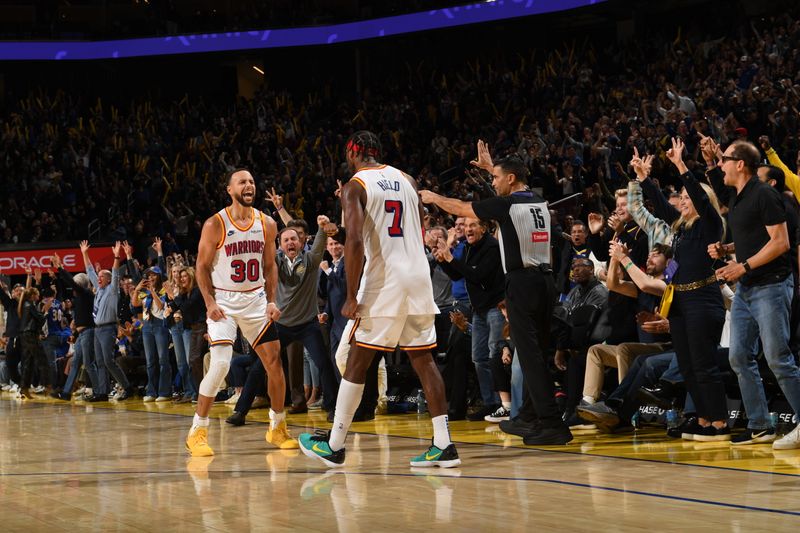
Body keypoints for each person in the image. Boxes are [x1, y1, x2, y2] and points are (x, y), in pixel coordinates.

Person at [299, 130, 460, 468]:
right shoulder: (407, 179)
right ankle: (443, 444)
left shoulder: (355, 185)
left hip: (385, 282)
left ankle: (335, 444)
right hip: (417, 278)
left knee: (357, 360)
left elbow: (356, 241)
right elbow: (404, 229)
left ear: (354, 152)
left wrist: (353, 294)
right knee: (424, 360)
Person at [420, 140, 572, 445]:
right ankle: (528, 417)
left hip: (523, 283)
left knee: (529, 357)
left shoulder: (508, 205)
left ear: (511, 179)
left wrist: (435, 197)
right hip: (544, 281)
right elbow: (507, 195)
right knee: (536, 353)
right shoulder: (536, 201)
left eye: (495, 178)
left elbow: (463, 208)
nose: (492, 182)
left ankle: (552, 424)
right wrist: (492, 167)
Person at [186, 168, 297, 457]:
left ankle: (277, 427)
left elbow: (270, 265)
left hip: (255, 301)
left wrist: (272, 300)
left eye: (251, 181)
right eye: (242, 182)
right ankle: (197, 430)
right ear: (229, 190)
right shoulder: (215, 224)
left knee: (274, 362)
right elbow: (201, 266)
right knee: (221, 364)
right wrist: (209, 302)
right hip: (224, 301)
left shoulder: (267, 223)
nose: (248, 185)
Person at [710, 140, 800, 449]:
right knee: (738, 357)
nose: (720, 164)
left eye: (725, 159)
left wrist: (743, 266)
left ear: (740, 164)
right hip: (748, 287)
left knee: (778, 358)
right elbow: (755, 236)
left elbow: (780, 242)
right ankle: (761, 425)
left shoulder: (765, 194)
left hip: (771, 286)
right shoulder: (739, 198)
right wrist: (728, 249)